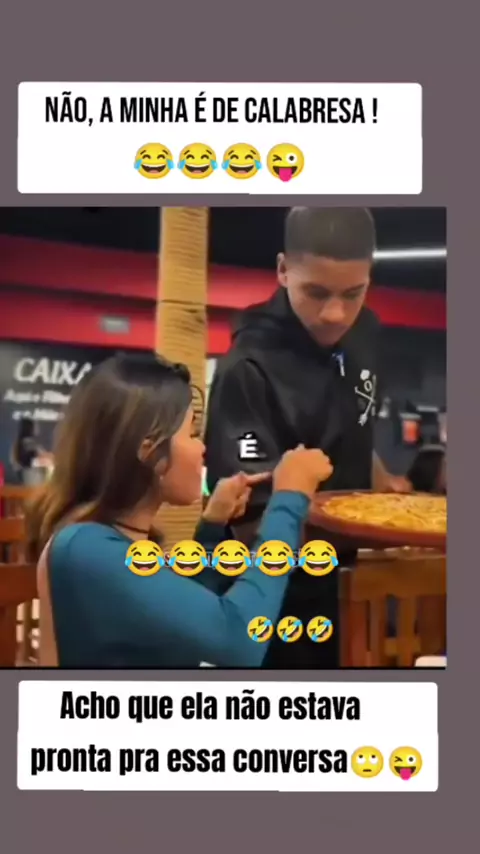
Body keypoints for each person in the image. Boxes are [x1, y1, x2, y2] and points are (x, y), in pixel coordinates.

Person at [26, 352, 333, 668]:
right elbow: (238, 638)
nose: (202, 448)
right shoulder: (85, 549)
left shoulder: (107, 544)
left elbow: (184, 619)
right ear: (149, 451)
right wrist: (288, 500)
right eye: (192, 433)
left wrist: (213, 526)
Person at [204, 207, 410, 670]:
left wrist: (389, 493)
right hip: (279, 599)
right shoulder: (247, 369)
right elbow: (247, 516)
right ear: (283, 270)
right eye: (315, 293)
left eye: (353, 293)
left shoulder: (367, 331)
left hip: (358, 589)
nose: (335, 314)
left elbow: (354, 425)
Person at [10, 417, 53, 485]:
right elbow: (28, 460)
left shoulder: (18, 443)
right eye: (35, 425)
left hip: (28, 479)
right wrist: (43, 461)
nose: (37, 428)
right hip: (32, 478)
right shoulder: (27, 444)